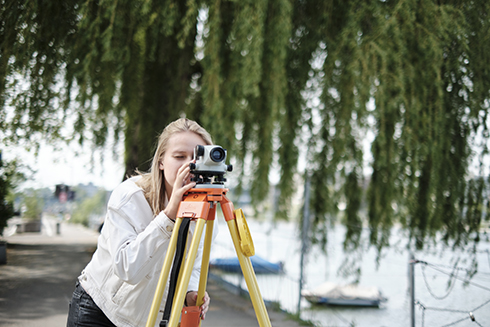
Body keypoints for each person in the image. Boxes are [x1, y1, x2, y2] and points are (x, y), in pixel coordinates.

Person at [67, 118, 214, 327]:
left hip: (147, 320)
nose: (189, 165)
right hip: (99, 310)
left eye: (198, 157)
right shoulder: (130, 196)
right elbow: (127, 269)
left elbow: (195, 265)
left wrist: (189, 293)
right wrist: (169, 215)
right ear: (161, 161)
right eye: (180, 156)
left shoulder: (207, 212)